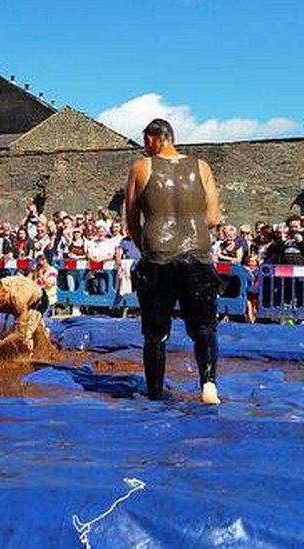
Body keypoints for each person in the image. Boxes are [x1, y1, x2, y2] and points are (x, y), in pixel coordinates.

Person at [124, 118, 222, 404]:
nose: (145, 148)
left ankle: (155, 392)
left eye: (146, 142)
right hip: (197, 254)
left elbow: (131, 220)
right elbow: (213, 218)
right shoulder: (201, 167)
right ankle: (208, 386)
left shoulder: (141, 167)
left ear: (154, 139)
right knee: (204, 327)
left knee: (155, 333)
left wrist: (148, 248)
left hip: (158, 254)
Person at [0, 274, 52, 357]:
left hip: (37, 301)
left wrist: (2, 343)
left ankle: (35, 351)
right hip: (17, 296)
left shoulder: (17, 298)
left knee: (26, 338)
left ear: (2, 291)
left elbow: (21, 333)